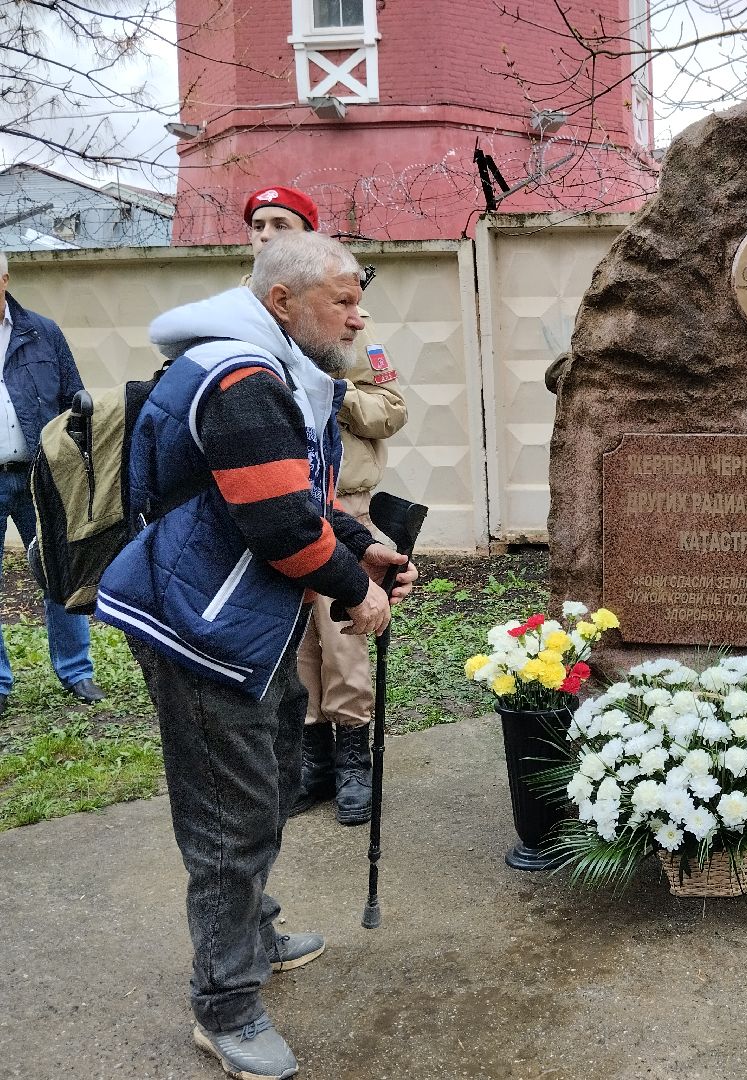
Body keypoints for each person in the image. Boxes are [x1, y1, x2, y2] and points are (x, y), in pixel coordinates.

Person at [95, 232, 417, 1080]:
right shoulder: (241, 378)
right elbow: (275, 526)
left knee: (271, 780)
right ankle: (226, 1004)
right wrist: (357, 592)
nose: (360, 314)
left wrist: (360, 544)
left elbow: (294, 496)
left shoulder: (272, 371)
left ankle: (255, 933)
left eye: (359, 295)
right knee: (228, 825)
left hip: (243, 621)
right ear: (283, 302)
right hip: (198, 630)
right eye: (343, 299)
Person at [240, 184, 410, 824]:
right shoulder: (246, 328)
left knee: (343, 640)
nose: (267, 234)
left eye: (282, 223)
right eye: (259, 225)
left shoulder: (349, 334)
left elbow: (391, 410)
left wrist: (331, 394)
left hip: (347, 509)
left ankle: (353, 763)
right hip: (284, 509)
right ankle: (312, 762)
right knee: (299, 647)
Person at [0, 250, 104, 712]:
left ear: (4, 278)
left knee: (60, 571)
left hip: (40, 473)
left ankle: (76, 671)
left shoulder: (41, 331)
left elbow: (71, 395)